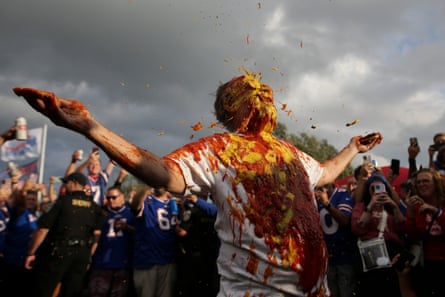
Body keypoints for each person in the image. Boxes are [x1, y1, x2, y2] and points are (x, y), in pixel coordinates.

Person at [13, 71, 381, 296]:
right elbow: (163, 174)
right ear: (234, 108)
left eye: (263, 90)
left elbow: (326, 173)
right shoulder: (219, 150)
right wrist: (89, 127)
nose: (263, 95)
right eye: (250, 91)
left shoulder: (290, 152)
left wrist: (352, 148)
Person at [24, 172, 105, 297]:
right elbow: (96, 236)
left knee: (44, 289)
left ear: (74, 183)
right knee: (72, 292)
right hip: (82, 254)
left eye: (66, 183)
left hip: (60, 252)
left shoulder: (63, 202)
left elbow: (43, 229)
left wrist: (31, 253)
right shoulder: (94, 207)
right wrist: (89, 257)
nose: (65, 186)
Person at [351, 173, 405, 297]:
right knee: (372, 289)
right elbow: (357, 229)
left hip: (391, 252)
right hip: (370, 252)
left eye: (380, 187)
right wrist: (371, 205)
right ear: (368, 190)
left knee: (391, 289)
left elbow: (402, 228)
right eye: (373, 188)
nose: (377, 191)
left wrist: (394, 207)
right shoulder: (361, 206)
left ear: (386, 189)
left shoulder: (391, 207)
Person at [129, 186, 179, 297]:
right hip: (147, 260)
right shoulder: (147, 201)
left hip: (168, 261)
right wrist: (146, 187)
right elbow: (135, 206)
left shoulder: (175, 204)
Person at [88, 186, 135, 297]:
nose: (110, 200)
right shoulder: (101, 214)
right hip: (101, 264)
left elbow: (141, 234)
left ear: (122, 198)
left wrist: (127, 227)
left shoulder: (131, 214)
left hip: (122, 264)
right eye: (108, 198)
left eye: (114, 197)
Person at [405, 168, 445, 297]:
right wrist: (410, 213)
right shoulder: (417, 206)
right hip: (428, 262)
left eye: (426, 181)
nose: (422, 184)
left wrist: (435, 212)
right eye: (419, 182)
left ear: (436, 183)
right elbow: (414, 236)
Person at [315, 183, 356, 297]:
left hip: (344, 256)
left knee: (346, 292)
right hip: (327, 260)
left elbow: (344, 221)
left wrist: (327, 204)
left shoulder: (343, 195)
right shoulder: (314, 199)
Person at [176, 194, 219, 297]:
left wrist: (172, 225)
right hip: (213, 258)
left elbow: (182, 232)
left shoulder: (196, 211)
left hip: (196, 257)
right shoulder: (220, 212)